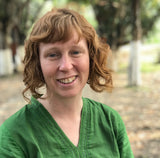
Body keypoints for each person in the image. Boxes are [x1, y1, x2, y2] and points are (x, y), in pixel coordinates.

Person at [0, 8, 134, 157]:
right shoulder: (14, 134)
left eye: (75, 52)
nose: (66, 66)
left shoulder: (110, 121)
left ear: (91, 57)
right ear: (38, 63)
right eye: (53, 55)